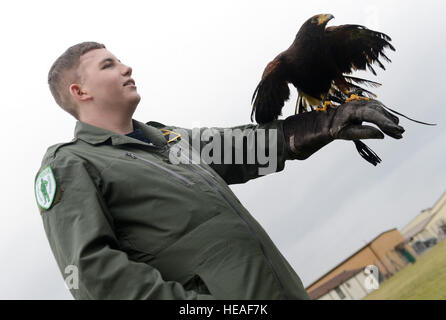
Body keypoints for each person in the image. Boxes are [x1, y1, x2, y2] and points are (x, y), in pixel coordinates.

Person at [35, 41, 405, 300]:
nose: (126, 66)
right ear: (80, 91)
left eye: (119, 60)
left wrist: (329, 122)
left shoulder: (170, 140)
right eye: (108, 65)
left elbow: (249, 147)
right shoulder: (72, 164)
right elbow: (94, 278)